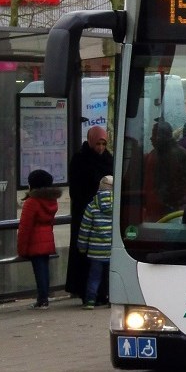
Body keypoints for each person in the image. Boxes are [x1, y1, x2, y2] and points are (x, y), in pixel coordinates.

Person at [67, 125, 113, 301]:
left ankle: (101, 293)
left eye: (103, 144)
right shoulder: (80, 160)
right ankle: (86, 291)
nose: (100, 148)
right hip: (85, 213)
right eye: (98, 144)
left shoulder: (108, 160)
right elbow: (76, 190)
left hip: (105, 216)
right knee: (85, 254)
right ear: (91, 142)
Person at [17, 169, 61, 309]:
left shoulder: (32, 202)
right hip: (47, 240)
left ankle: (42, 299)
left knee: (39, 271)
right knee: (44, 270)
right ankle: (44, 297)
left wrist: (21, 248)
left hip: (34, 243)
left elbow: (25, 227)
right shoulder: (51, 201)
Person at [143, 120, 186, 221]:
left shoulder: (176, 155)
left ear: (162, 137)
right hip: (156, 210)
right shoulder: (153, 155)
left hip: (171, 212)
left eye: (154, 135)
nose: (151, 138)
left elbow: (183, 185)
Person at [78, 175, 113, 309]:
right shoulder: (118, 206)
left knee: (94, 277)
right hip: (112, 250)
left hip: (95, 250)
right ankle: (112, 299)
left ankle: (91, 301)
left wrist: (82, 246)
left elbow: (85, 228)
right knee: (111, 277)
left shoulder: (92, 205)